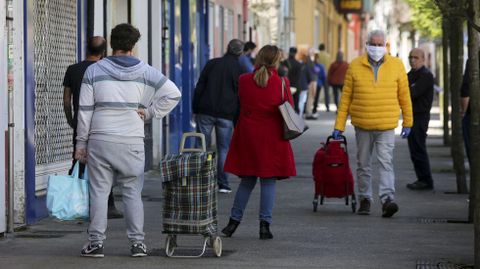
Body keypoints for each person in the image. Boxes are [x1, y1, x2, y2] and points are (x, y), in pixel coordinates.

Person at [75, 23, 181, 257]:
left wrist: (81, 144)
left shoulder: (94, 71)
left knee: (100, 192)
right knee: (133, 192)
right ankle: (137, 244)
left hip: (100, 139)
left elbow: (84, 110)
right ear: (133, 45)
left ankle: (96, 243)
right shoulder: (146, 71)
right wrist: (151, 112)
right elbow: (174, 93)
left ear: (112, 44)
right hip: (132, 140)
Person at [332, 30, 413, 218]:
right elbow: (346, 98)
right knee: (363, 164)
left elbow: (404, 96)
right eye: (373, 44)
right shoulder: (355, 65)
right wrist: (339, 125)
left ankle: (387, 200)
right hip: (362, 124)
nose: (376, 47)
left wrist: (408, 121)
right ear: (366, 44)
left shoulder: (396, 65)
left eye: (380, 44)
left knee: (386, 163)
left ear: (385, 46)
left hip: (386, 125)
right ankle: (365, 199)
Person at [221, 45, 296, 240]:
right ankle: (264, 226)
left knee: (247, 181)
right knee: (268, 181)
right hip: (272, 137)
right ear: (276, 61)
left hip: (248, 136)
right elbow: (289, 108)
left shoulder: (244, 80)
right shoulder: (281, 82)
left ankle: (232, 223)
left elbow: (242, 103)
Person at [63, 36, 123, 219]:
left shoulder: (72, 70)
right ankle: (109, 204)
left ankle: (78, 203)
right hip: (103, 124)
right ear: (104, 52)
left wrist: (71, 120)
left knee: (79, 161)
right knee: (106, 163)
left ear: (86, 49)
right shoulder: (107, 70)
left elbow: (66, 100)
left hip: (81, 122)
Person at [192, 39, 244, 193]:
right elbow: (239, 95)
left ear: (227, 47)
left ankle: (200, 181)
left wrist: (195, 108)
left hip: (205, 110)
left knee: (202, 146)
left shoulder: (212, 63)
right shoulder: (239, 69)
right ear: (240, 53)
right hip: (226, 114)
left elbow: (200, 85)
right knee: (223, 149)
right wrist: (237, 118)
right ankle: (223, 184)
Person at [405, 48, 435, 191]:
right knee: (414, 149)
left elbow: (411, 93)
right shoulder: (410, 74)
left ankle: (426, 180)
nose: (412, 60)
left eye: (416, 57)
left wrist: (408, 89)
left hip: (420, 117)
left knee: (418, 148)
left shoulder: (426, 75)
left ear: (423, 59)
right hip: (411, 116)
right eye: (410, 57)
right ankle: (421, 178)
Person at [283, 47, 302, 111]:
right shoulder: (298, 64)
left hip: (285, 86)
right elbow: (299, 77)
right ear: (295, 53)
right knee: (296, 105)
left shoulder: (284, 63)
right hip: (296, 86)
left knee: (286, 105)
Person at [304, 48, 319, 119]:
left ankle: (309, 112)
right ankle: (308, 113)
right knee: (311, 97)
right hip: (312, 81)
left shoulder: (310, 60)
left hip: (313, 81)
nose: (314, 53)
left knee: (311, 97)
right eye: (312, 52)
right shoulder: (309, 61)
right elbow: (311, 73)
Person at [318, 43, 331, 111]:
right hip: (326, 76)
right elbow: (330, 66)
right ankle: (327, 106)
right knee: (326, 92)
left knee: (317, 91)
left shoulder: (317, 55)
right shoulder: (328, 56)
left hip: (319, 76)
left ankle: (315, 105)